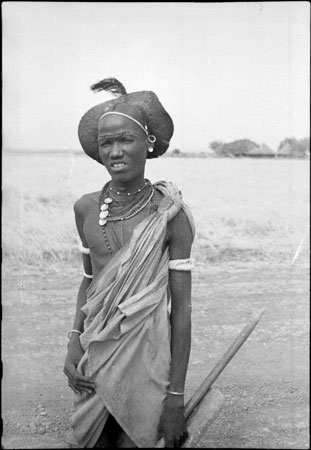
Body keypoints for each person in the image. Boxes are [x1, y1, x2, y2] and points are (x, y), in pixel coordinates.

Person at [63, 78, 195, 448]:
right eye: (107, 143)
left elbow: (181, 309)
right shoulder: (85, 208)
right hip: (95, 353)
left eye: (126, 139)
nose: (115, 151)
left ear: (148, 144)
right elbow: (90, 282)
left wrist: (176, 398)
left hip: (149, 362)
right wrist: (73, 342)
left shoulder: (170, 215)